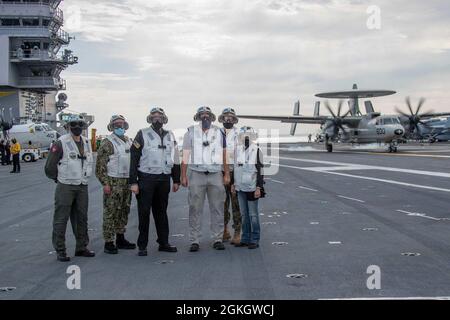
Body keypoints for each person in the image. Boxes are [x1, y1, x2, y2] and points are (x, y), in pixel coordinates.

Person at [129, 107, 180, 257]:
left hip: (164, 179)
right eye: (154, 117)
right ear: (150, 119)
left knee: (161, 213)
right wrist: (133, 182)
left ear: (164, 119)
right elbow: (134, 158)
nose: (157, 119)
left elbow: (175, 158)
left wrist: (176, 179)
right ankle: (142, 245)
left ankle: (163, 242)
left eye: (160, 116)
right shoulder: (142, 134)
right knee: (144, 212)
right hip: (146, 178)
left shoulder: (170, 135)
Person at [45, 114, 95, 262]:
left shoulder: (87, 142)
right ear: (68, 126)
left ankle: (81, 247)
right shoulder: (61, 143)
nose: (77, 127)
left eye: (80, 124)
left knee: (82, 218)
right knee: (61, 219)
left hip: (82, 185)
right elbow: (49, 167)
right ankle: (60, 250)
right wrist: (58, 179)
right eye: (73, 124)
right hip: (66, 185)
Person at [181, 106, 230, 252]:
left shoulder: (219, 132)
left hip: (215, 174)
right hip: (196, 174)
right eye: (202, 115)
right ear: (198, 117)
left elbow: (224, 154)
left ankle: (217, 238)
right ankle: (194, 240)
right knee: (195, 208)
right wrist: (183, 175)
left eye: (207, 114)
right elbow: (185, 155)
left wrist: (226, 173)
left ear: (212, 117)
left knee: (218, 208)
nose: (205, 117)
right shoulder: (190, 132)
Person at [96, 115, 136, 254]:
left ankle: (120, 238)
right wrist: (105, 183)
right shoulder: (107, 142)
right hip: (113, 182)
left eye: (122, 124)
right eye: (116, 125)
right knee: (111, 212)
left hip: (126, 181)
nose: (120, 127)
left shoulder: (129, 141)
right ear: (112, 127)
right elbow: (100, 166)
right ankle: (108, 241)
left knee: (124, 210)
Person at [231, 127, 265, 249]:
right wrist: (233, 184)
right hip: (240, 188)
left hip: (251, 188)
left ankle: (255, 239)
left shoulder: (256, 150)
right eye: (244, 135)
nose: (246, 138)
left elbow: (260, 171)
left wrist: (258, 188)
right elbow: (236, 169)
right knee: (244, 214)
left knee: (253, 215)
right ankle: (245, 238)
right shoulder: (237, 151)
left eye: (248, 136)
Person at [218, 108, 241, 245]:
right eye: (226, 116)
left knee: (236, 203)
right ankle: (224, 230)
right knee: (222, 203)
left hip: (236, 172)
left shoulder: (240, 133)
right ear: (222, 118)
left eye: (231, 117)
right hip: (219, 171)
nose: (228, 119)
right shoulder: (216, 133)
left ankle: (237, 231)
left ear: (234, 119)